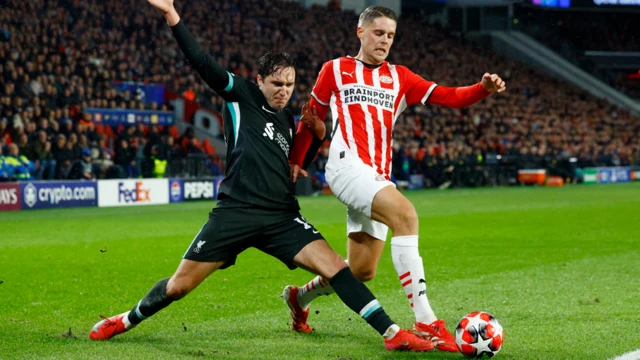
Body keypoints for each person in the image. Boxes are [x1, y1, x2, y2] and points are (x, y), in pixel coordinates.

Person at [88, 0, 434, 352]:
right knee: (178, 287)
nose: (283, 90)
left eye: (289, 84)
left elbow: (292, 167)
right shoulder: (240, 95)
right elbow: (202, 63)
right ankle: (126, 319)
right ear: (259, 80)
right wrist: (171, 15)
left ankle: (392, 333)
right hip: (236, 212)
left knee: (334, 266)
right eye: (276, 83)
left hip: (281, 216)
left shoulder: (286, 121)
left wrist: (314, 139)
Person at [285, 5, 506, 352]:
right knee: (406, 215)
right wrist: (297, 159)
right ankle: (426, 321)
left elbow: (448, 96)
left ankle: (300, 297)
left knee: (361, 270)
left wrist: (481, 88)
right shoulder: (336, 69)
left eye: (390, 35)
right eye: (378, 33)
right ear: (361, 32)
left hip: (375, 175)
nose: (384, 40)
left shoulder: (400, 77)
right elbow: (311, 117)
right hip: (346, 165)